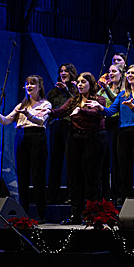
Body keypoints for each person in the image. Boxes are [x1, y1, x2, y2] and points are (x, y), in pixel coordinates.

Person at [0, 75, 52, 221]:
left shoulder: (45, 104)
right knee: (22, 176)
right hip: (21, 137)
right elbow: (6, 120)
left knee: (38, 176)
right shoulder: (21, 105)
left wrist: (28, 114)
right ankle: (24, 213)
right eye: (27, 84)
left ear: (39, 87)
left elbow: (40, 121)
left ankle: (41, 214)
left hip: (36, 137)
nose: (29, 86)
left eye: (32, 84)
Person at [47, 72, 107, 222]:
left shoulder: (98, 100)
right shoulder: (74, 100)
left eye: (83, 82)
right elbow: (61, 112)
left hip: (94, 138)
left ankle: (93, 214)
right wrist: (49, 111)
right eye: (78, 82)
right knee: (75, 177)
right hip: (75, 139)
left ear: (91, 84)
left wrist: (81, 111)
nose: (79, 85)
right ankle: (76, 214)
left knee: (92, 177)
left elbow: (94, 114)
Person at [99, 65, 134, 200]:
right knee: (124, 170)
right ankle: (125, 203)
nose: (129, 75)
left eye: (133, 73)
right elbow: (111, 111)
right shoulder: (122, 94)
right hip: (124, 134)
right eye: (128, 73)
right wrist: (99, 107)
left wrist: (132, 106)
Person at [46, 63, 78, 206]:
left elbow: (77, 103)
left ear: (72, 73)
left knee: (71, 161)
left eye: (66, 71)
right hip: (56, 127)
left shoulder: (75, 89)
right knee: (55, 161)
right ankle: (53, 195)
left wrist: (66, 90)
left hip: (70, 126)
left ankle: (72, 195)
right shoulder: (54, 92)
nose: (63, 73)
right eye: (61, 71)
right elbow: (48, 107)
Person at [97, 63, 125, 204]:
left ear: (121, 73)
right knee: (103, 160)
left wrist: (106, 88)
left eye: (114, 71)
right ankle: (104, 194)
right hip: (103, 124)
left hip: (116, 124)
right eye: (110, 71)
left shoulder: (123, 89)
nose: (111, 73)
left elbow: (116, 101)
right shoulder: (102, 89)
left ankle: (117, 193)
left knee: (115, 160)